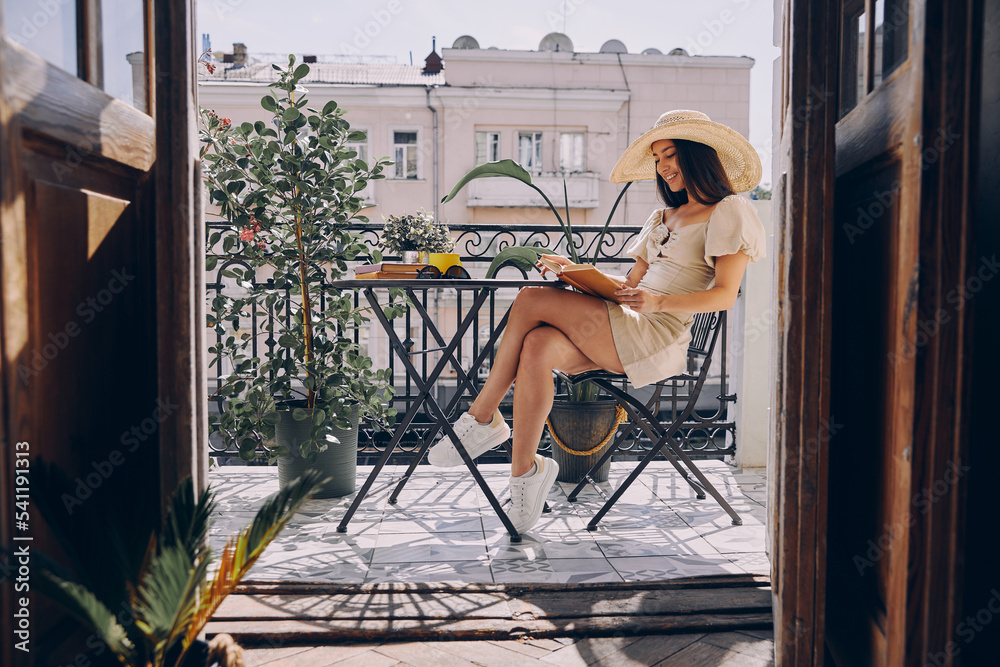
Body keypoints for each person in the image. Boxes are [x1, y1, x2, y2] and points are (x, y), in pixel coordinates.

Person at [427, 110, 767, 534]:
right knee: (537, 345)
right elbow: (628, 285)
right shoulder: (661, 219)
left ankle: (482, 419)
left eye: (671, 154)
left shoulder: (728, 211)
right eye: (658, 157)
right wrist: (575, 271)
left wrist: (657, 302)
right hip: (624, 323)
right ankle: (525, 474)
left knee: (532, 299)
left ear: (697, 156)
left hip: (658, 336)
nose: (662, 166)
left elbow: (723, 296)